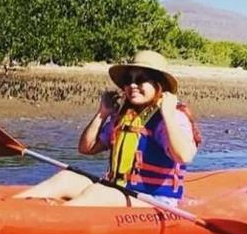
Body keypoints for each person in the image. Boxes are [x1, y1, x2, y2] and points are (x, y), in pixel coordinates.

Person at [13, 50, 201, 207]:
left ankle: (49, 218)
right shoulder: (124, 117)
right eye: (129, 80)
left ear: (159, 85)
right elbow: (86, 149)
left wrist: (168, 114)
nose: (132, 85)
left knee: (99, 192)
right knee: (66, 178)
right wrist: (102, 114)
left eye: (141, 79)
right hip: (119, 190)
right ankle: (8, 205)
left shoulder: (172, 117)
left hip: (155, 200)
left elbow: (185, 156)